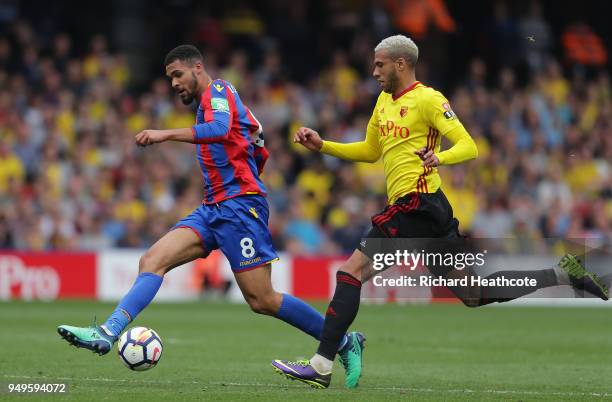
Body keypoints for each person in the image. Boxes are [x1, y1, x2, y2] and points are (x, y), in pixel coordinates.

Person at [271, 35, 608, 389]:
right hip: (423, 209)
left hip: (417, 202)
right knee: (473, 294)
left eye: (379, 64)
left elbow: (469, 146)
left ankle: (322, 364)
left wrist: (440, 157)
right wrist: (323, 145)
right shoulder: (383, 102)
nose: (373, 72)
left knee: (351, 271)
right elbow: (371, 151)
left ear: (401, 64)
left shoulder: (429, 100)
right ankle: (561, 273)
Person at [57, 45, 363, 371]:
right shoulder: (208, 102)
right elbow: (255, 148)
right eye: (170, 78)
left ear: (197, 68)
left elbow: (220, 130)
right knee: (152, 260)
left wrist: (164, 134)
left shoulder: (219, 90)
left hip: (239, 207)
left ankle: (343, 341)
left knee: (263, 300)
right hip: (213, 208)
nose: (174, 83)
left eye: (178, 75)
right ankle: (107, 332)